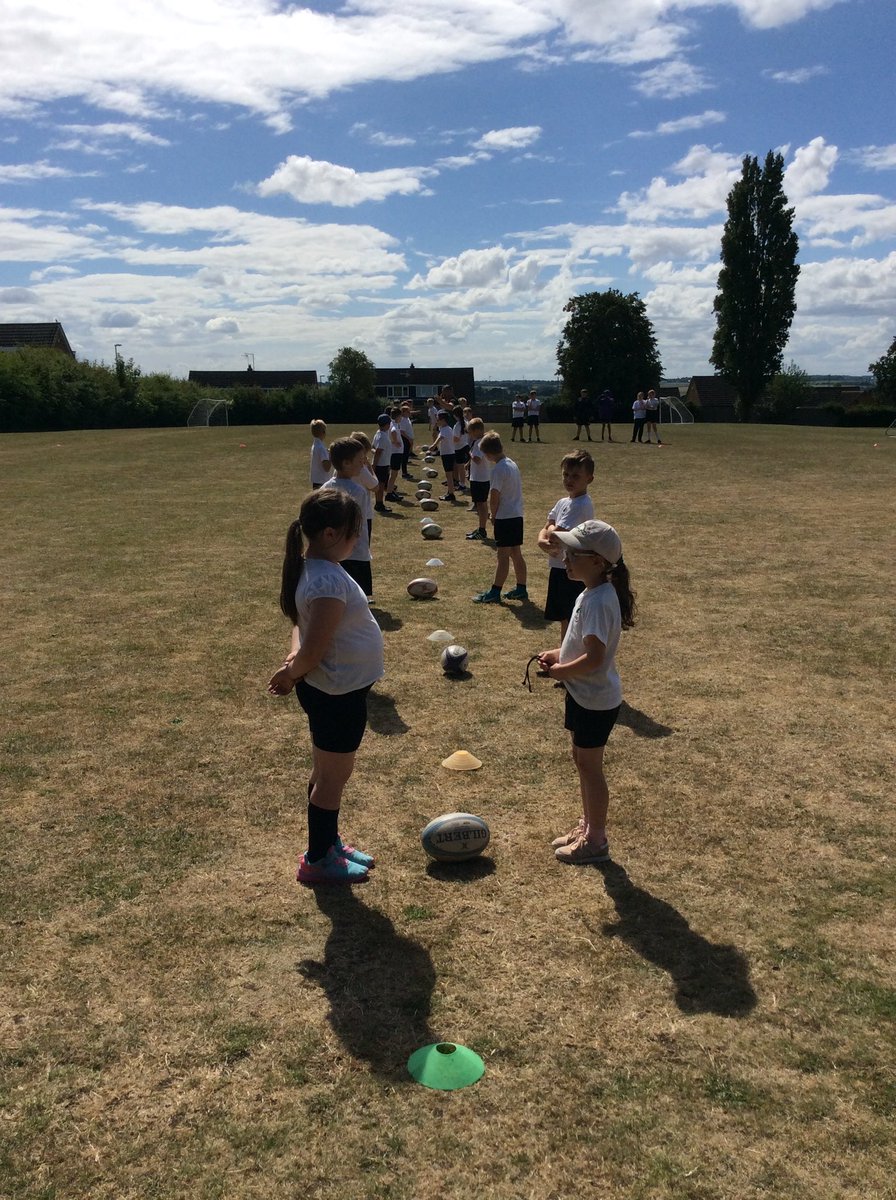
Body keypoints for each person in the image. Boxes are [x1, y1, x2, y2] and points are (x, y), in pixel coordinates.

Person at [267, 490, 384, 884]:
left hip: (331, 689)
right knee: (333, 778)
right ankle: (318, 860)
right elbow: (314, 646)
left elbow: (299, 628)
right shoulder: (328, 580)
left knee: (324, 772)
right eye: (355, 533)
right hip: (337, 694)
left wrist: (293, 665)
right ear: (331, 533)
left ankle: (328, 843)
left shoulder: (311, 568)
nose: (358, 540)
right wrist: (293, 670)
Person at [537, 520, 636, 866]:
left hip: (595, 700)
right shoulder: (590, 593)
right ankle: (589, 826)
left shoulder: (597, 601)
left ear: (596, 561)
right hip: (585, 696)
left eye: (572, 553)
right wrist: (557, 655)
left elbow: (594, 659)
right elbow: (580, 645)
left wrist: (561, 671)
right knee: (582, 761)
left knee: (590, 767)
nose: (564, 557)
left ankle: (596, 840)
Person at [537, 450, 595, 639]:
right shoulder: (563, 502)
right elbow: (547, 526)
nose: (569, 479)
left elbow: (555, 534)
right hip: (559, 566)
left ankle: (570, 656)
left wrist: (548, 536)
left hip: (572, 569)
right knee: (564, 617)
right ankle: (565, 652)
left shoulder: (582, 504)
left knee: (572, 617)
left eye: (576, 476)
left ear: (589, 479)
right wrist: (541, 540)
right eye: (566, 475)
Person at [473, 431, 527, 603]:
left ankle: (495, 592)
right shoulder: (512, 464)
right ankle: (521, 588)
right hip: (517, 515)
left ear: (488, 454)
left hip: (505, 517)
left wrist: (493, 515)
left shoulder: (498, 469)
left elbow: (494, 496)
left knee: (502, 556)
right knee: (516, 553)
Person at [320, 438, 375, 600]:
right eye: (360, 461)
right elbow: (359, 522)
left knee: (337, 592)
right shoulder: (358, 491)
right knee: (356, 595)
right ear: (346, 463)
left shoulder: (325, 487)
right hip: (355, 551)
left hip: (332, 551)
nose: (363, 464)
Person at [349, 431, 378, 545]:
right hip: (363, 513)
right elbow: (375, 487)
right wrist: (370, 467)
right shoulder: (362, 469)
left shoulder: (342, 467)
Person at [464, 416, 491, 540]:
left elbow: (478, 459)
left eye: (470, 432)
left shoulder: (480, 443)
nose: (469, 435)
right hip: (479, 477)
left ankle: (482, 529)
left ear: (476, 431)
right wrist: (468, 464)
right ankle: (481, 528)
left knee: (481, 505)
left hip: (480, 478)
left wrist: (468, 452)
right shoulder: (479, 442)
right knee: (480, 504)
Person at [428, 410, 457, 503]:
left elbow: (440, 438)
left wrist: (433, 446)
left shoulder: (446, 429)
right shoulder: (443, 429)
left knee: (449, 475)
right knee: (448, 475)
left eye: (438, 419)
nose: (437, 421)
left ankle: (451, 494)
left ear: (443, 420)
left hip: (448, 454)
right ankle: (449, 492)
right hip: (446, 454)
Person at [371, 413, 394, 513]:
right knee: (380, 486)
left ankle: (380, 503)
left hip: (384, 464)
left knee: (382, 484)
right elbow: (378, 452)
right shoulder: (382, 437)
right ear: (387, 424)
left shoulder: (379, 433)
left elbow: (372, 447)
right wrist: (374, 466)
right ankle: (379, 504)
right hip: (381, 465)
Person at [309, 419, 331, 488]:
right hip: (322, 481)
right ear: (323, 432)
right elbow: (326, 468)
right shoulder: (321, 448)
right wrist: (331, 456)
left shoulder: (316, 445)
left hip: (316, 480)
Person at [399, 404, 416, 478]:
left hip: (408, 439)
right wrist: (409, 438)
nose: (410, 412)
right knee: (405, 457)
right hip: (405, 440)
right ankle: (404, 473)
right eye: (408, 411)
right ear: (403, 412)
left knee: (406, 456)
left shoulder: (407, 419)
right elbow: (402, 431)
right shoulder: (403, 420)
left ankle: (405, 472)